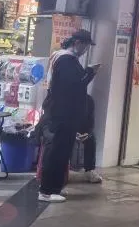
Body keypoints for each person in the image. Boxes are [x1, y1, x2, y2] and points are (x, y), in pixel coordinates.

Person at [38, 30, 98, 202]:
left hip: (63, 112)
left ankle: (54, 188)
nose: (86, 50)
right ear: (77, 43)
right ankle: (47, 190)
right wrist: (90, 73)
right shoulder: (66, 60)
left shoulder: (61, 58)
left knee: (62, 152)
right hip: (63, 113)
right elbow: (73, 86)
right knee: (58, 151)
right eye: (85, 46)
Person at [75, 94, 104, 185]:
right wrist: (73, 132)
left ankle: (90, 170)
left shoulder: (88, 99)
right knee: (62, 139)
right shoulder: (65, 97)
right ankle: (59, 170)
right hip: (65, 128)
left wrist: (88, 133)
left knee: (92, 139)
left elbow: (91, 120)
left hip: (81, 130)